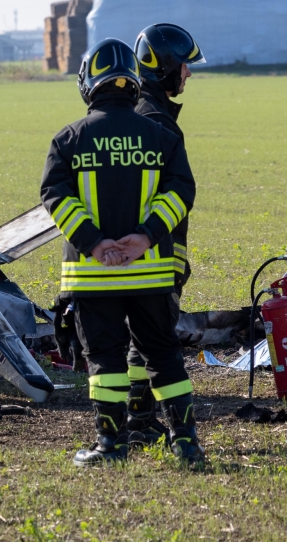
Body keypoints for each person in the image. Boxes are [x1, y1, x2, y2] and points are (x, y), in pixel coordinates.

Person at [40, 38, 203, 466]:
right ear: (133, 81)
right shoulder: (160, 134)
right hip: (150, 274)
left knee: (107, 362)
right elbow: (181, 191)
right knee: (163, 356)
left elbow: (55, 197)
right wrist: (146, 237)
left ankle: (111, 447)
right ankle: (186, 444)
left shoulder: (68, 139)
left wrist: (94, 243)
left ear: (88, 83)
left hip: (94, 277)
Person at [124, 24, 206, 446]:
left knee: (143, 340)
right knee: (154, 340)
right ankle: (145, 423)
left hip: (147, 251)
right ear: (165, 66)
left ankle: (138, 418)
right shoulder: (158, 124)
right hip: (157, 253)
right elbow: (178, 196)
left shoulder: (141, 114)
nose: (189, 73)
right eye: (185, 65)